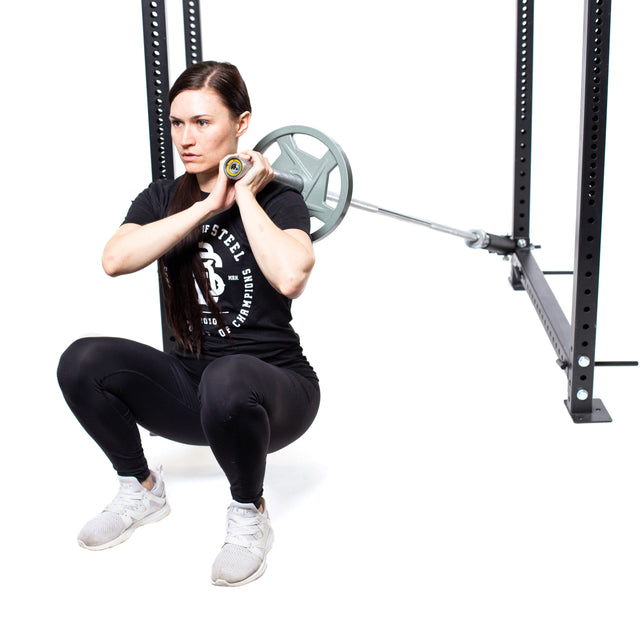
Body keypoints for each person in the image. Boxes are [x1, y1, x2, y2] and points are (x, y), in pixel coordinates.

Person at [57, 61, 320, 587]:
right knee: (82, 360)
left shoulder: (281, 199)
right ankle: (141, 488)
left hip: (274, 396)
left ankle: (249, 514)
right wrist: (205, 206)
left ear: (241, 123)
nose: (187, 137)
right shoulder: (161, 199)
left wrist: (243, 192)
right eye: (177, 123)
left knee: (230, 376)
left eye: (203, 122)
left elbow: (291, 276)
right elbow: (114, 259)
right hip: (190, 393)